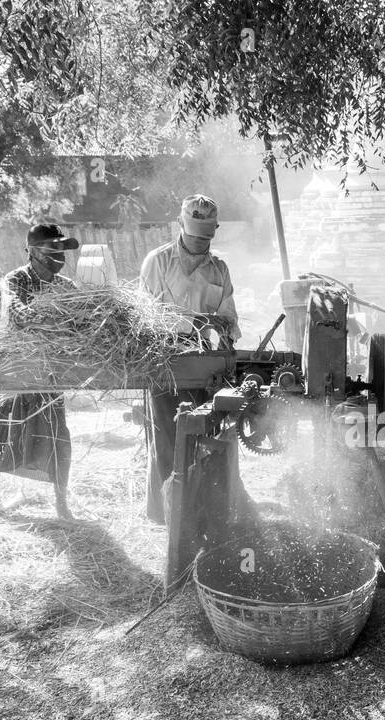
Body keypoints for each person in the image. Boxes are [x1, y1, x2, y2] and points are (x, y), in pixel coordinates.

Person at [139, 195, 240, 524]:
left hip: (205, 362)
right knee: (168, 435)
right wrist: (189, 324)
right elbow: (145, 315)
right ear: (181, 226)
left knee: (205, 432)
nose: (199, 244)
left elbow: (227, 316)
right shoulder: (158, 261)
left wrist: (225, 338)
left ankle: (202, 509)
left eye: (206, 239)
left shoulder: (219, 268)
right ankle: (167, 515)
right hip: (163, 356)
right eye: (195, 236)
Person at [0, 223, 81, 520]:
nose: (60, 254)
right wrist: (55, 322)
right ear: (35, 251)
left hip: (50, 370)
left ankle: (61, 504)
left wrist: (61, 326)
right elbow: (20, 315)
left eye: (62, 248)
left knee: (56, 434)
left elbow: (79, 325)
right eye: (54, 248)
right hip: (13, 367)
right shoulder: (16, 280)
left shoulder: (66, 287)